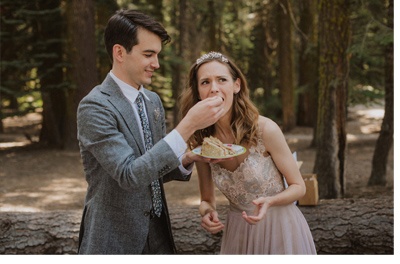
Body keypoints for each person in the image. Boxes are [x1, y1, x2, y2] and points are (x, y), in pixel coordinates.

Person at [76, 10, 226, 254]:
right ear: (119, 52)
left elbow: (151, 167)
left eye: (157, 55)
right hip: (114, 238)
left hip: (158, 235)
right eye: (148, 54)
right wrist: (188, 125)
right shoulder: (95, 106)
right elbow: (129, 175)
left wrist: (187, 159)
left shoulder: (152, 101)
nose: (156, 64)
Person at [179, 51, 317, 254]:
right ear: (198, 91)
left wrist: (271, 201)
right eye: (205, 82)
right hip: (239, 234)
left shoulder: (265, 129)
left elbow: (298, 187)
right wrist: (207, 212)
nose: (214, 88)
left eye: (222, 80)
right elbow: (207, 199)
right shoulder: (203, 143)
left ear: (236, 85)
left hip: (281, 228)